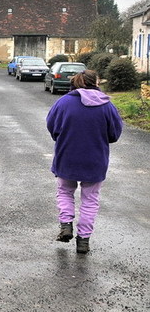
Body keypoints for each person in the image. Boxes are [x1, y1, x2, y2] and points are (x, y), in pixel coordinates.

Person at [46, 70, 123, 254]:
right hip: (95, 160)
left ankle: (66, 225)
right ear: (95, 83)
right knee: (90, 200)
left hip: (67, 157)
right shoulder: (107, 105)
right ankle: (83, 241)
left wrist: (62, 136)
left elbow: (52, 126)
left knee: (65, 191)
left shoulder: (64, 102)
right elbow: (114, 134)